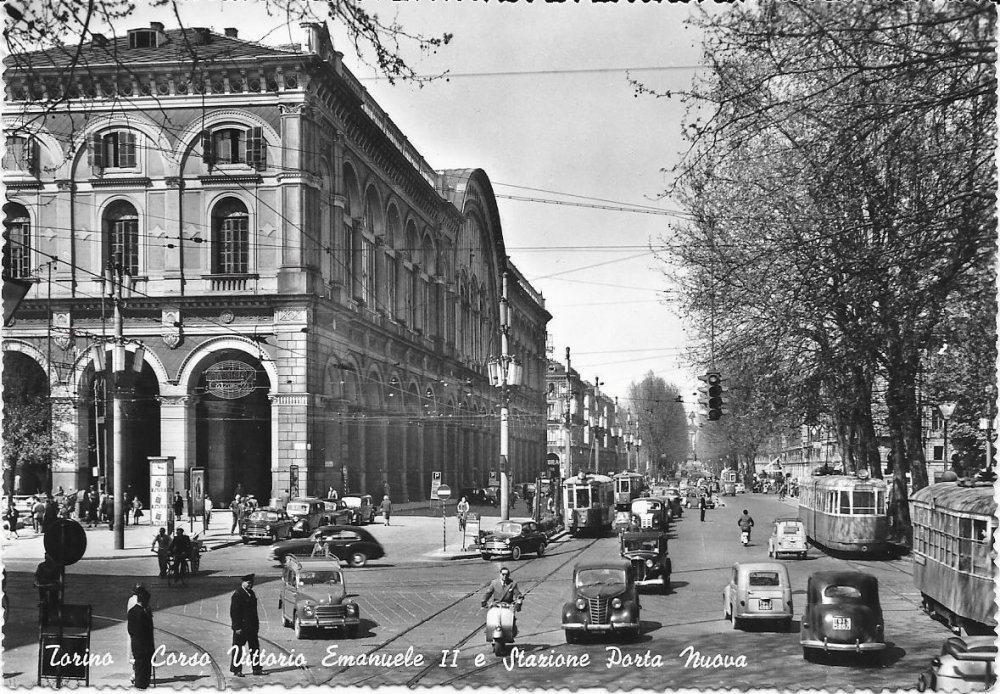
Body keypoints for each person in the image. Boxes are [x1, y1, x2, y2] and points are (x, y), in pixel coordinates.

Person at [229, 573, 263, 677]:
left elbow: (254, 612)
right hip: (241, 627)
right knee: (238, 649)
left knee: (255, 648)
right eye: (248, 583)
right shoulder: (238, 594)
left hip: (252, 627)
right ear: (243, 583)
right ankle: (236, 669)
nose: (250, 585)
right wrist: (237, 627)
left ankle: (256, 669)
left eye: (252, 583)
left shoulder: (251, 593)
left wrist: (256, 625)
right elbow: (234, 613)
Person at [481, 566, 523, 636]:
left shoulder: (512, 583)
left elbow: (517, 594)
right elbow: (488, 593)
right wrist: (484, 601)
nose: (505, 576)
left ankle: (512, 629)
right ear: (500, 574)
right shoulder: (494, 583)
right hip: (496, 604)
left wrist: (519, 600)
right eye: (503, 574)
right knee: (491, 615)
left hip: (508, 605)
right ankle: (489, 629)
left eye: (506, 574)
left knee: (511, 617)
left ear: (509, 575)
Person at [127, 584, 155, 689]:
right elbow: (145, 631)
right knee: (142, 673)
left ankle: (140, 686)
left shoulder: (136, 611)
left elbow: (130, 630)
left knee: (142, 671)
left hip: (139, 646)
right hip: (143, 647)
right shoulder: (141, 612)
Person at [34, 553, 61, 626]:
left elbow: (58, 579)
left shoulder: (56, 566)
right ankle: (45, 620)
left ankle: (51, 619)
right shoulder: (42, 566)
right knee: (44, 603)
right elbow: (37, 576)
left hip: (51, 587)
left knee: (53, 602)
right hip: (43, 587)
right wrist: (36, 582)